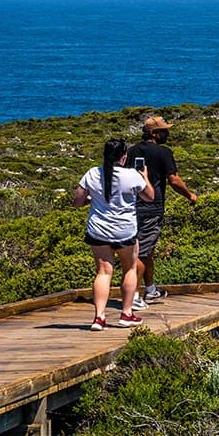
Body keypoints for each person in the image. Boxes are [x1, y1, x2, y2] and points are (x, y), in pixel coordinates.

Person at [73, 138, 154, 330]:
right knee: (129, 269)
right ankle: (126, 313)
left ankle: (99, 318)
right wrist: (145, 177)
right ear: (123, 157)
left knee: (103, 272)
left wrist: (90, 201)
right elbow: (150, 197)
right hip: (125, 230)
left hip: (98, 230)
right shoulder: (132, 176)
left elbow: (77, 201)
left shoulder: (92, 174)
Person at [127, 115, 198, 303]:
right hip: (152, 206)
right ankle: (133, 296)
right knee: (142, 252)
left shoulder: (131, 151)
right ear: (154, 133)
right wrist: (190, 195)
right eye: (164, 131)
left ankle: (150, 290)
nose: (167, 133)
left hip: (132, 205)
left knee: (145, 249)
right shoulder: (163, 152)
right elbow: (173, 180)